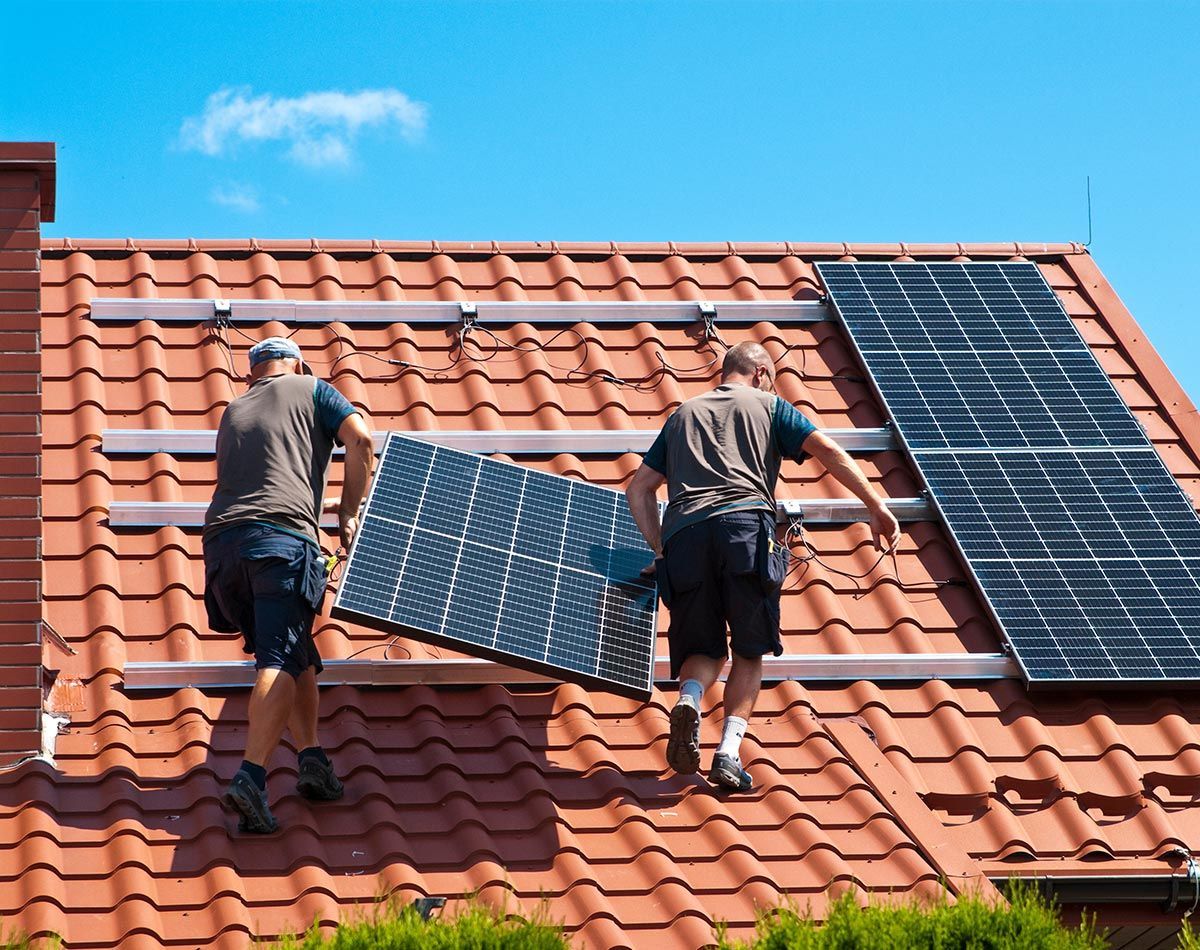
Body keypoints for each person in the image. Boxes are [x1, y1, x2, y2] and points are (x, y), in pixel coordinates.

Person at [624, 341, 901, 792]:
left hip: (685, 538)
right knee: (749, 650)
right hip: (744, 530)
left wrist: (660, 552)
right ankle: (729, 754)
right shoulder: (771, 406)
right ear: (759, 372)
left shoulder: (681, 416)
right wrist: (875, 505)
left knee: (704, 648)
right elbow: (827, 450)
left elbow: (640, 491)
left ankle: (690, 700)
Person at [203, 337, 374, 833]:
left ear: (252, 373)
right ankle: (252, 778)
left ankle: (313, 760)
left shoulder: (234, 408)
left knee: (296, 649)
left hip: (222, 552)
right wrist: (346, 512)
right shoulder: (314, 388)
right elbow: (361, 441)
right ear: (297, 364)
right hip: (280, 542)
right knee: (277, 659)